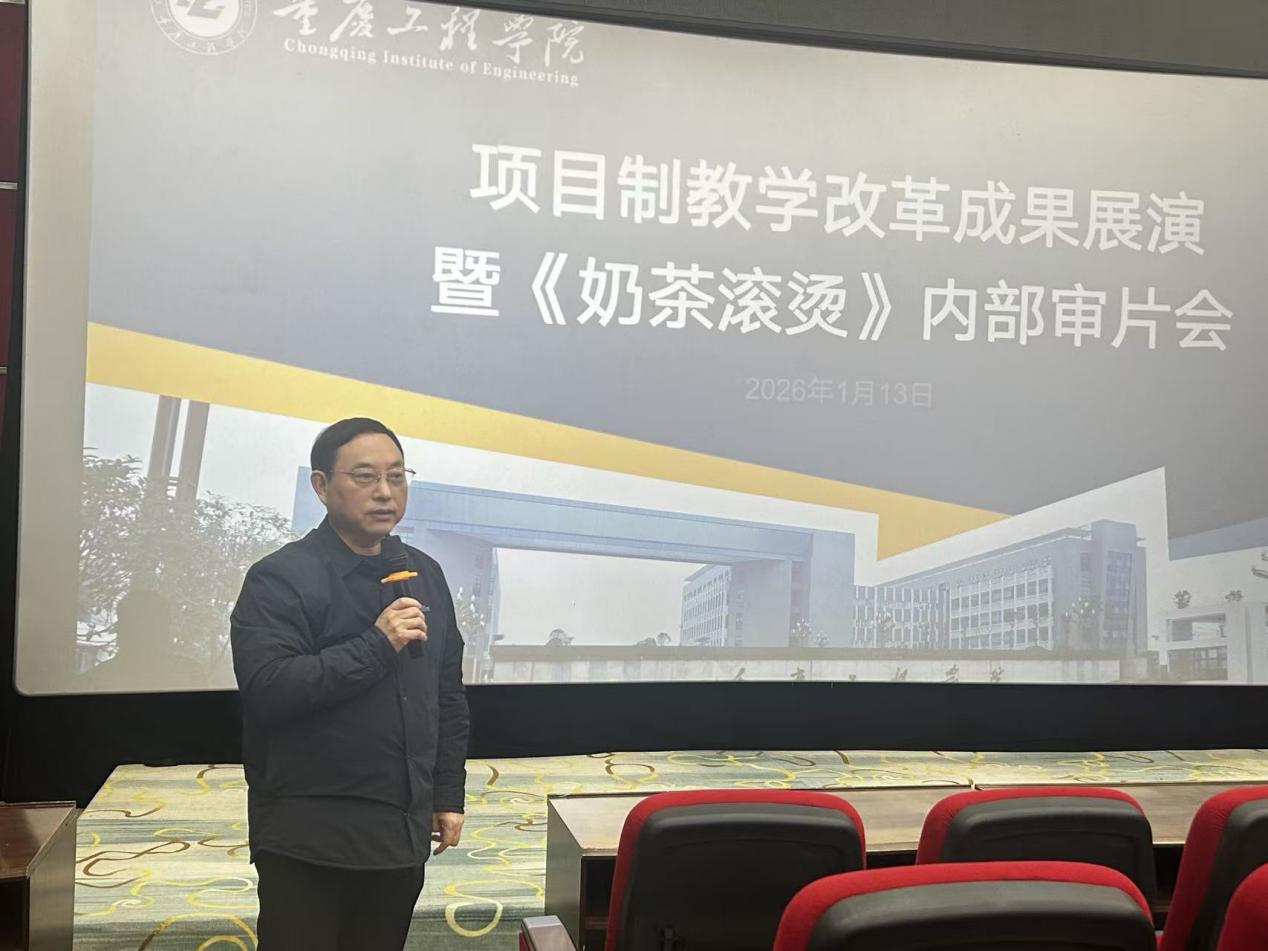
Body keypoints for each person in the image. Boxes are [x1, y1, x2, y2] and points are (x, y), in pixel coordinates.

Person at [230, 418, 469, 950]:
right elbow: (270, 689)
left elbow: (445, 696)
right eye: (365, 477)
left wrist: (447, 793)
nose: (385, 491)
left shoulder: (424, 574)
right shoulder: (280, 577)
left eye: (396, 476)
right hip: (310, 837)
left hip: (399, 833)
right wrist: (376, 645)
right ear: (321, 486)